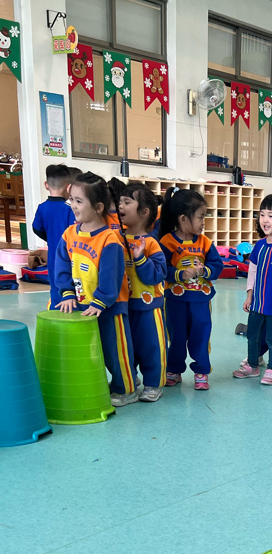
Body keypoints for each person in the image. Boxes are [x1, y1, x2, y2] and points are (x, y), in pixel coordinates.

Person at [54, 171, 138, 406]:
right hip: (83, 306)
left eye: (79, 201)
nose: (73, 205)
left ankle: (127, 388)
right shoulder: (70, 234)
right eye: (71, 199)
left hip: (110, 307)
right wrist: (67, 292)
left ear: (99, 207)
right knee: (90, 351)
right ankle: (103, 384)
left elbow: (111, 276)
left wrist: (101, 301)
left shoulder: (109, 240)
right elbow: (62, 266)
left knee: (116, 353)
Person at [159, 188, 223, 392]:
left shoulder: (205, 243)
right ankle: (174, 370)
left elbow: (218, 265)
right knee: (176, 337)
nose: (203, 222)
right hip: (175, 300)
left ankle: (201, 371)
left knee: (201, 336)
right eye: (200, 217)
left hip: (201, 300)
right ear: (183, 219)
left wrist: (205, 271)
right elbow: (162, 269)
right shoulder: (167, 242)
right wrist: (180, 274)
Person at [233, 194, 272, 387]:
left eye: (271, 215)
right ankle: (253, 365)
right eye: (262, 215)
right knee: (252, 336)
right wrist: (249, 294)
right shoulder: (259, 245)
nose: (265, 220)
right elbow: (252, 272)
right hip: (257, 304)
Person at [118, 182, 168, 402]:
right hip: (123, 305)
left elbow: (157, 275)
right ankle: (130, 381)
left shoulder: (151, 243)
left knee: (152, 347)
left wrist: (140, 259)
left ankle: (154, 384)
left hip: (149, 307)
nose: (120, 205)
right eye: (120, 201)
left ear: (145, 212)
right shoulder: (116, 238)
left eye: (127, 202)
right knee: (126, 348)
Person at [32, 163, 75, 310]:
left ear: (46, 185)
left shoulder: (42, 207)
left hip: (52, 256)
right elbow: (75, 231)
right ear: (69, 187)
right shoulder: (69, 208)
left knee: (55, 284)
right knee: (70, 285)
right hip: (70, 255)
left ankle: (57, 310)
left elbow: (36, 228)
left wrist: (50, 238)